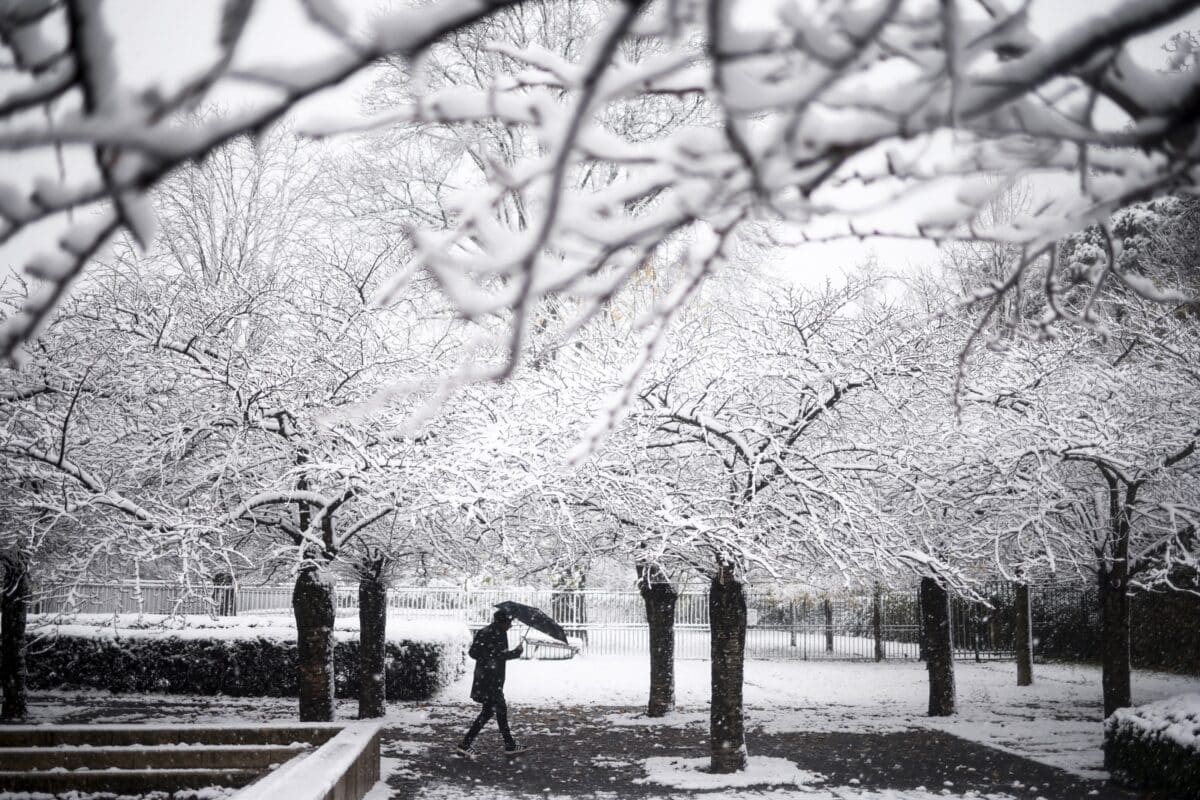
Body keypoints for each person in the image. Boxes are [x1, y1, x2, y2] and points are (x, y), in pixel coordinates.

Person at [457, 609, 526, 757]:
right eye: (509, 622)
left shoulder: (486, 632)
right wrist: (515, 653)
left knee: (489, 712)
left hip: (485, 678)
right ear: (502, 622)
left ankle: (466, 744)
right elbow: (495, 655)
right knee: (500, 710)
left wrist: (490, 656)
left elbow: (475, 653)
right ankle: (509, 745)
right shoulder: (495, 634)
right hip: (491, 680)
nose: (511, 625)